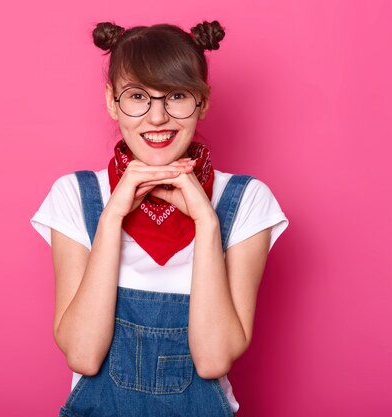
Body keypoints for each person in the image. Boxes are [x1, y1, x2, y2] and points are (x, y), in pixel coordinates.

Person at [30, 20, 289, 417]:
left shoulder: (246, 200)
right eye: (137, 97)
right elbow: (82, 354)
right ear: (111, 101)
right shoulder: (76, 196)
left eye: (177, 96)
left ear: (202, 102)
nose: (157, 118)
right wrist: (113, 214)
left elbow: (213, 360)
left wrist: (207, 223)